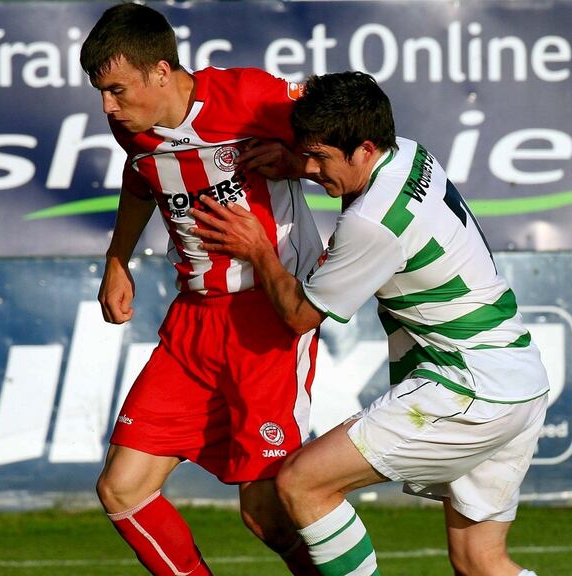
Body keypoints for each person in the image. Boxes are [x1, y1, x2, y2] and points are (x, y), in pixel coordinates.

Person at [190, 71, 548, 576]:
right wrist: (300, 163)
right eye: (305, 153)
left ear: (361, 147)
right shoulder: (408, 152)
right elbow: (358, 191)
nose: (311, 169)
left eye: (319, 157)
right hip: (519, 380)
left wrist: (258, 251)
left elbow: (298, 315)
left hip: (468, 388)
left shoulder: (373, 222)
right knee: (480, 561)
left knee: (301, 483)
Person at [79, 3, 324, 575]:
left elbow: (357, 149)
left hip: (267, 319)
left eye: (116, 89)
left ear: (161, 72)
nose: (107, 107)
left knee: (266, 513)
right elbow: (141, 177)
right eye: (100, 92)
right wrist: (118, 259)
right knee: (122, 489)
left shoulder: (253, 96)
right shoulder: (130, 128)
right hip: (193, 320)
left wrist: (294, 162)